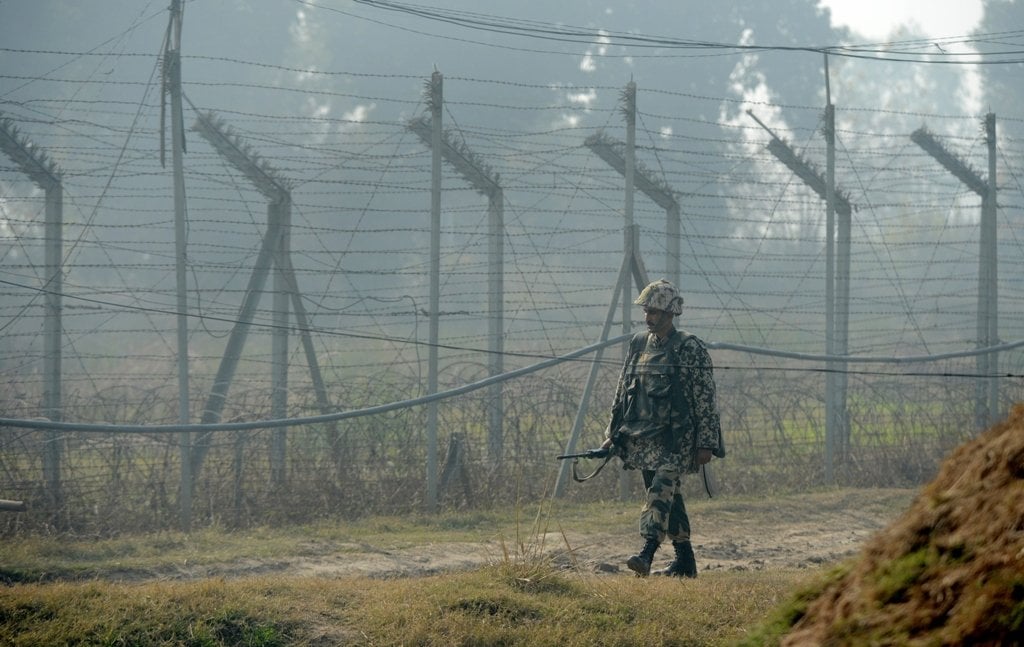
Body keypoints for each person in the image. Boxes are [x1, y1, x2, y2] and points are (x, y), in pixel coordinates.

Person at [600, 278, 724, 578]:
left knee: (659, 492)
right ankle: (685, 561)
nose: (648, 317)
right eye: (646, 311)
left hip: (678, 438)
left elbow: (705, 398)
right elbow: (623, 391)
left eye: (654, 311)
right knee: (670, 496)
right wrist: (612, 434)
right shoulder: (638, 344)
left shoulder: (689, 348)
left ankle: (647, 552)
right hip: (644, 437)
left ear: (670, 313)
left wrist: (706, 442)